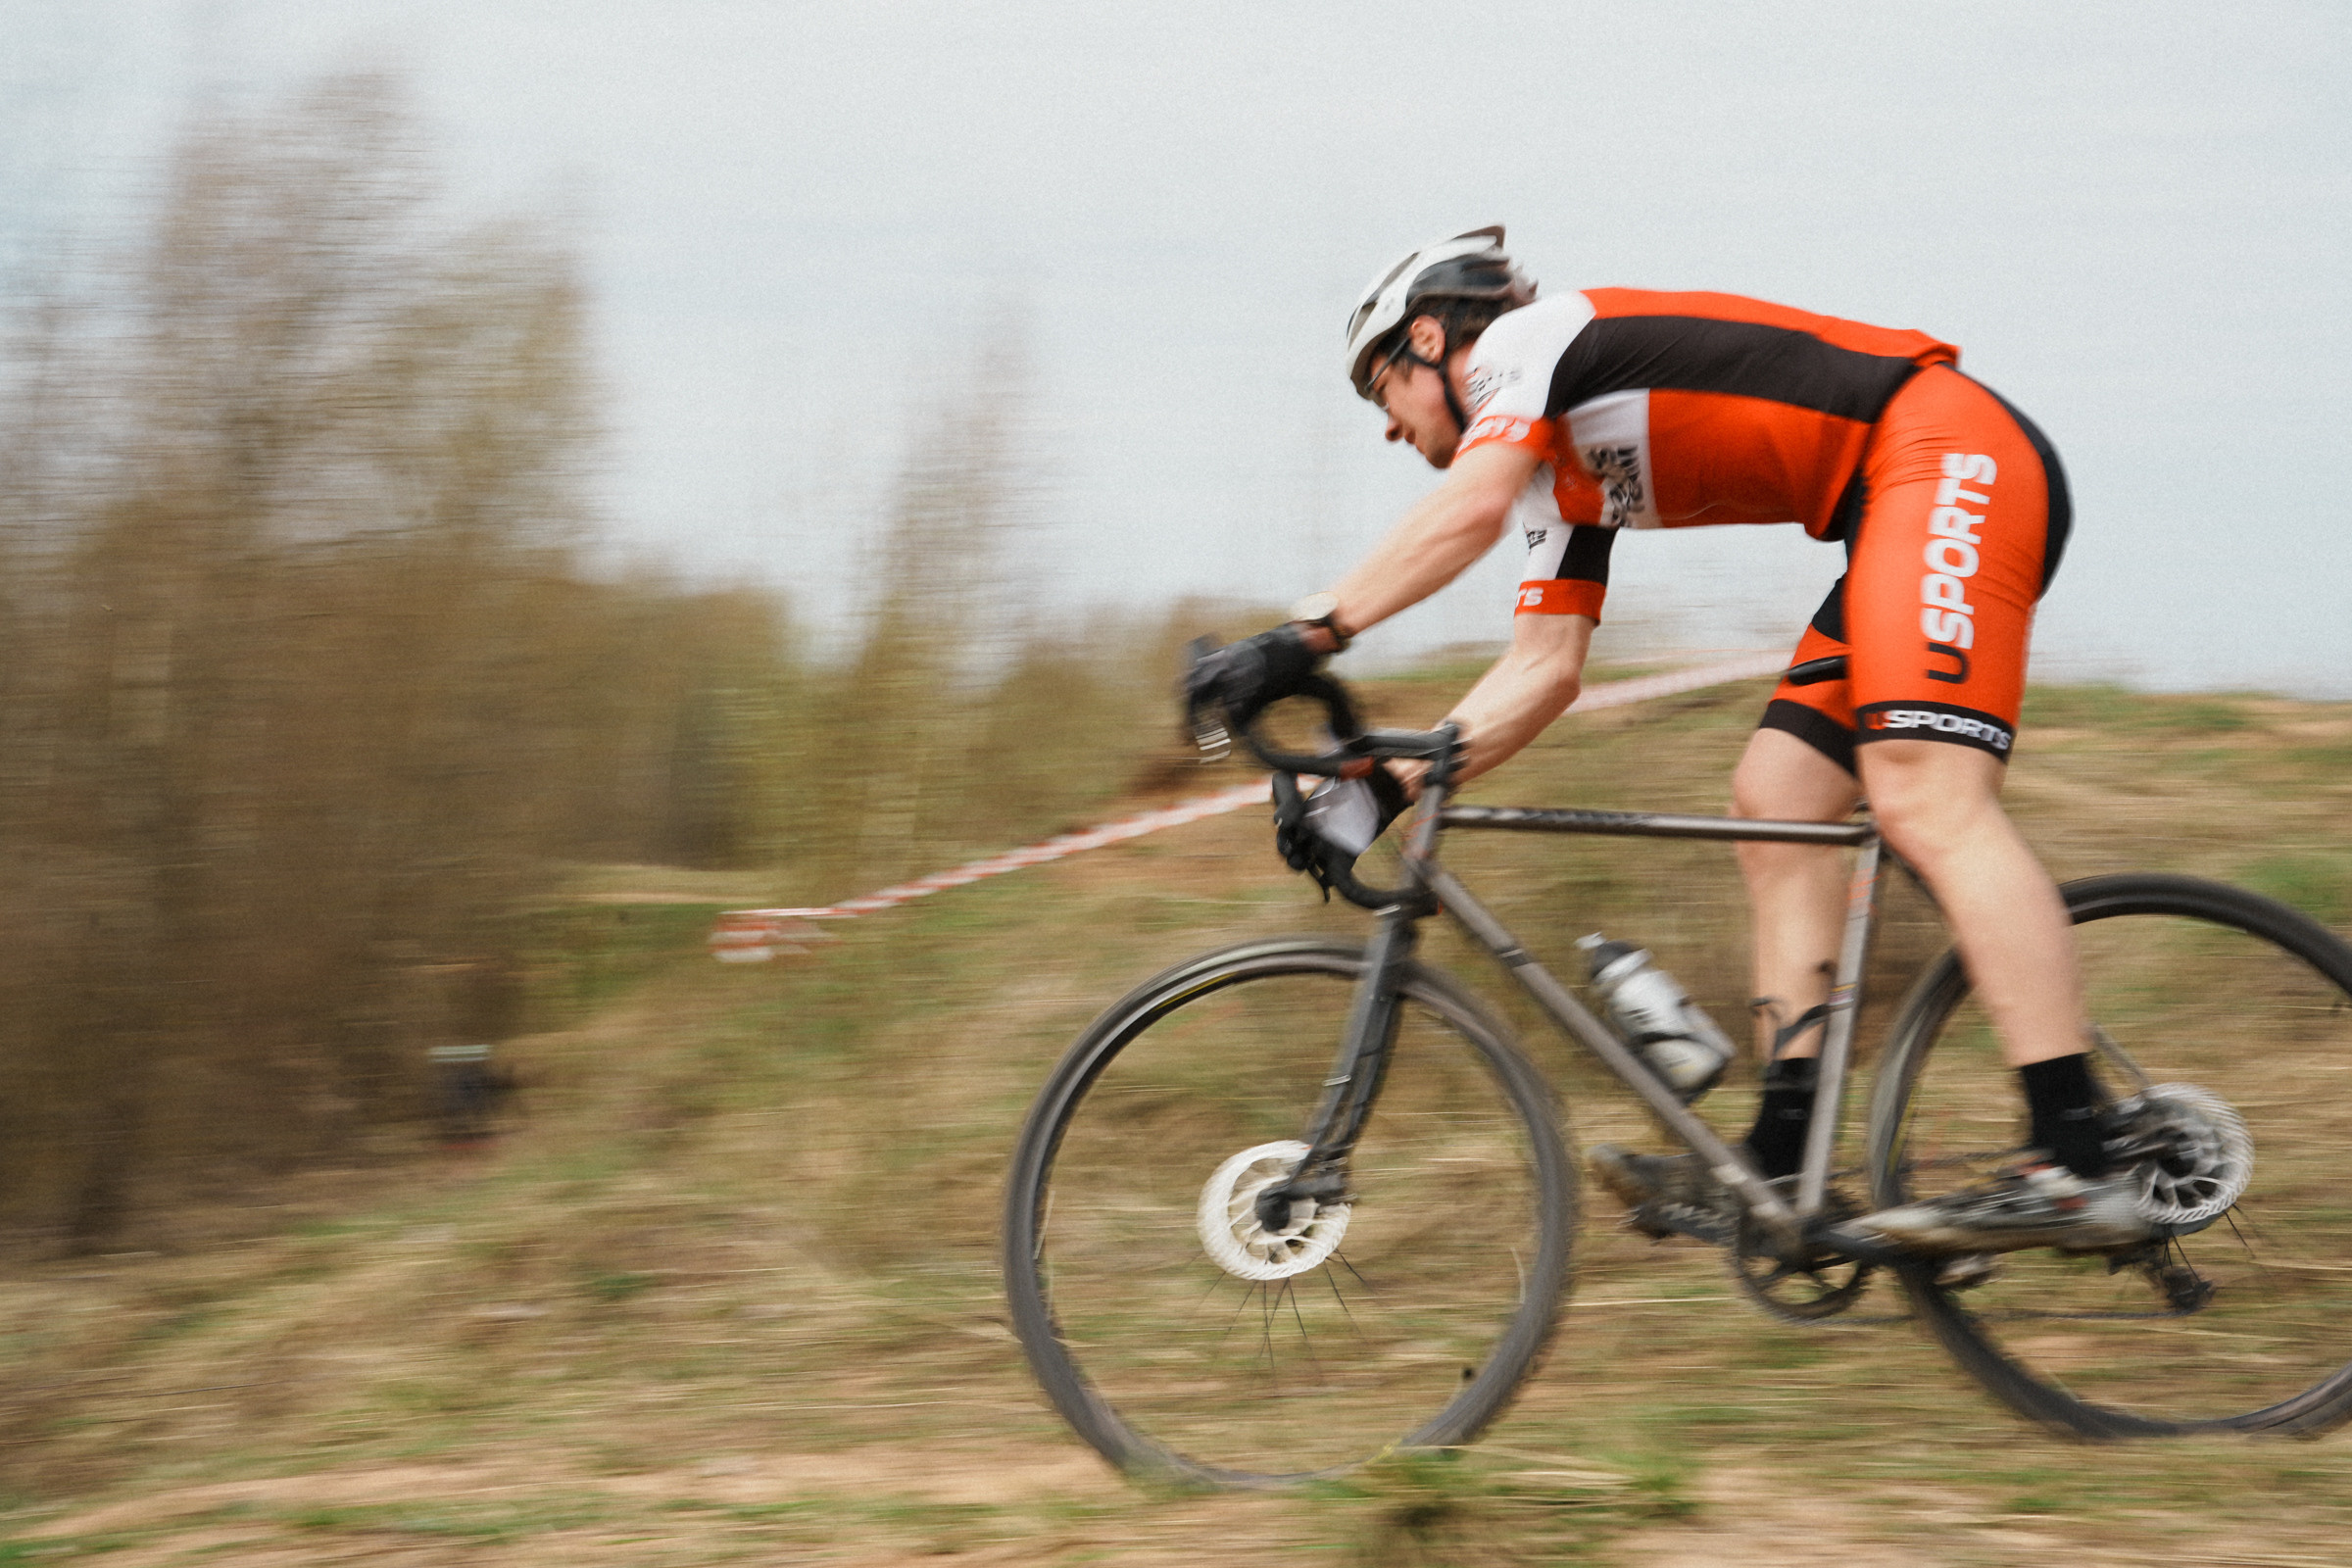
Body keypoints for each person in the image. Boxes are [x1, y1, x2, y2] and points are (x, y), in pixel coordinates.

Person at [1191, 225, 2144, 1254]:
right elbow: (1543, 670)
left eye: (1381, 391)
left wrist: (1305, 635)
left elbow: (1463, 508)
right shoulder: (1560, 480)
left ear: (1429, 340)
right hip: (1887, 505)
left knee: (1926, 800)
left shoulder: (1529, 345)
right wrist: (1376, 793)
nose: (1387, 428)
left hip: (1949, 454)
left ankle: (2076, 1153)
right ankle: (1781, 1158)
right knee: (1778, 799)